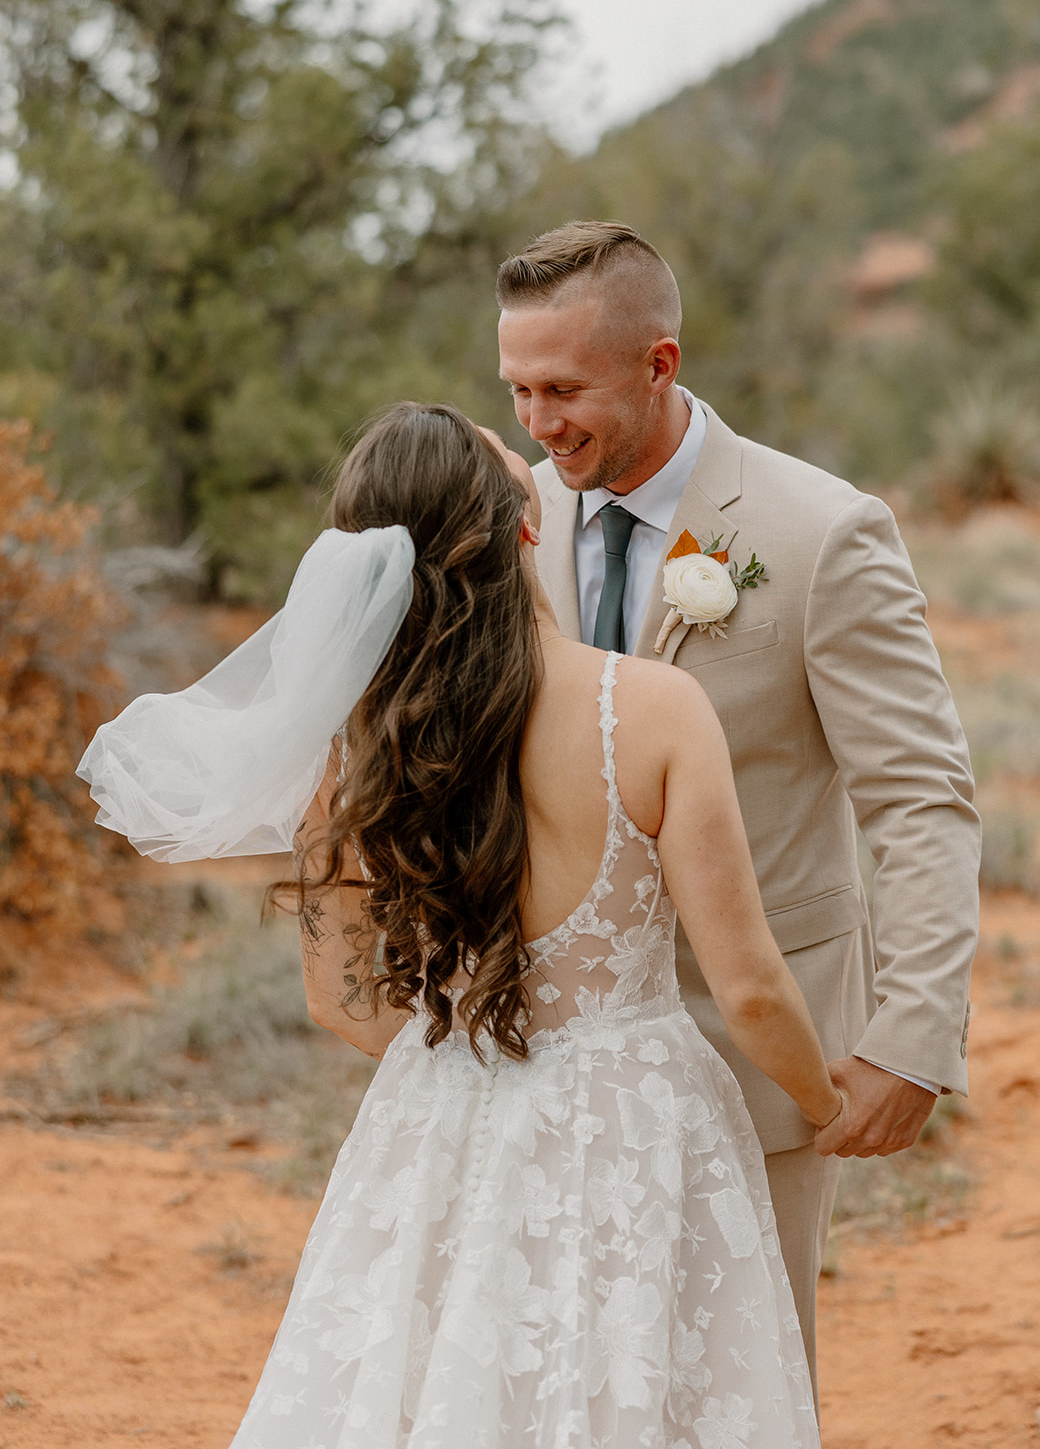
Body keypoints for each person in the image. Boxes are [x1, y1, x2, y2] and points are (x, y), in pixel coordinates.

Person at [80, 402, 847, 1448]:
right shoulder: (655, 711)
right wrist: (825, 1100)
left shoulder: (353, 750)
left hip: (443, 1109)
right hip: (636, 1120)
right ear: (521, 528)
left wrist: (476, 1067)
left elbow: (336, 1001)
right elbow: (750, 986)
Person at [496, 220, 982, 1394]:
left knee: (740, 1384)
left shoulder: (820, 535)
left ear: (658, 364)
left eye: (563, 389)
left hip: (756, 1054)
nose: (537, 423)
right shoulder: (522, 512)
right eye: (515, 389)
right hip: (555, 1049)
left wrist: (911, 1031)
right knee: (572, 1378)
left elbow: (919, 796)